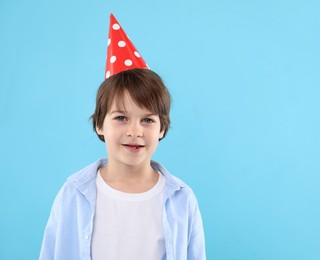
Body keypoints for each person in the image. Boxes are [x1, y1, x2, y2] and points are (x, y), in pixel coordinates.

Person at [39, 68, 206, 260]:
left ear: (162, 128)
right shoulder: (73, 194)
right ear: (99, 124)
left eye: (147, 120)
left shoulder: (182, 199)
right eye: (121, 118)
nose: (135, 131)